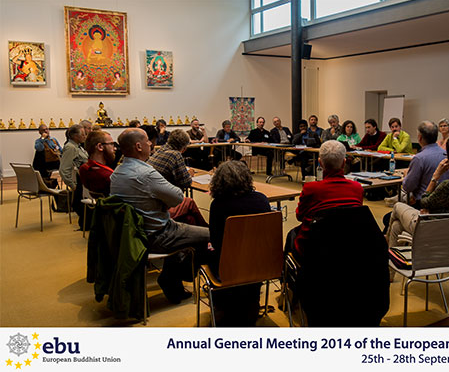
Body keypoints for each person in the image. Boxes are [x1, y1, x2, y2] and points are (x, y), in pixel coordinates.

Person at [110, 128, 209, 304]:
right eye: (148, 140)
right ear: (139, 146)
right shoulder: (146, 173)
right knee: (213, 235)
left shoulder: (117, 173)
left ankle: (173, 278)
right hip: (158, 234)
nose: (151, 144)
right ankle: (177, 276)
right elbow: (178, 196)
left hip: (133, 235)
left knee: (187, 221)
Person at [387, 136, 449, 247]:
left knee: (397, 206)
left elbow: (423, 201)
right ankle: (394, 259)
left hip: (434, 228)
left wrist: (435, 176)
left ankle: (386, 246)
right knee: (396, 226)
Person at [208, 161, 271, 326]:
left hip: (228, 268)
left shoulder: (218, 205)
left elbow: (216, 241)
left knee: (205, 248)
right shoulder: (262, 200)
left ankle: (221, 303)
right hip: (260, 265)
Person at [286, 140, 363, 257]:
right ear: (344, 163)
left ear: (320, 163)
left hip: (314, 248)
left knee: (291, 235)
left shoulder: (311, 188)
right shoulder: (357, 188)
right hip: (349, 245)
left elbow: (299, 216)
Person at [59, 124, 88, 226]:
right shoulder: (71, 148)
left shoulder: (77, 146)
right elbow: (64, 169)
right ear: (75, 136)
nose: (85, 136)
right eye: (83, 134)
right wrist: (72, 184)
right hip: (79, 182)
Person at [79, 130, 116, 196]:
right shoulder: (107, 176)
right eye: (111, 144)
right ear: (100, 147)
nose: (115, 148)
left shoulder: (84, 168)